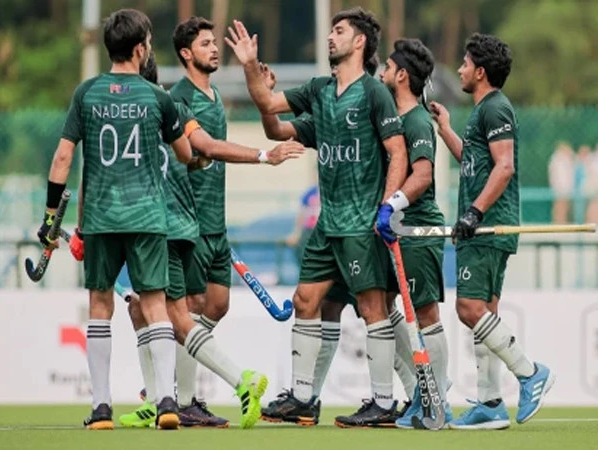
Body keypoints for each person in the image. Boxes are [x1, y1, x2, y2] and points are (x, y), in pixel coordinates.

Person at [227, 7, 410, 427]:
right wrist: (251, 66)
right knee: (305, 301)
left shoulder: (374, 93)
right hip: (327, 225)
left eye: (339, 31)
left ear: (359, 42)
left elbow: (398, 152)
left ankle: (384, 402)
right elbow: (269, 110)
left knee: (372, 308)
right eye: (331, 30)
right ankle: (303, 400)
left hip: (362, 223)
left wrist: (387, 206)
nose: (330, 36)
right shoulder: (319, 90)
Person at [36, 9, 193, 430]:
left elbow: (63, 158)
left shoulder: (86, 93)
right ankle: (166, 402)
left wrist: (50, 217)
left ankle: (101, 407)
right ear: (140, 48)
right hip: (147, 217)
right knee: (155, 304)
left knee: (100, 305)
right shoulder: (157, 97)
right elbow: (184, 154)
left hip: (101, 219)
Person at [163, 16, 302, 427]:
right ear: (186, 53)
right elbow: (207, 147)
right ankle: (183, 399)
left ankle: (176, 379)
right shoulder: (179, 97)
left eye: (214, 42)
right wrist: (263, 156)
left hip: (216, 223)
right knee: (190, 308)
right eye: (205, 43)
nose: (213, 48)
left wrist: (261, 83)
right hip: (188, 223)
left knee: (217, 305)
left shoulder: (215, 95)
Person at [430, 33, 555, 429]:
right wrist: (445, 128)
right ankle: (490, 403)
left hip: (486, 226)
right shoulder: (483, 111)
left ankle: (530, 373)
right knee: (485, 311)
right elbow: (474, 161)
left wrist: (473, 213)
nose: (460, 70)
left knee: (469, 309)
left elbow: (504, 166)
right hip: (483, 225)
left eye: (465, 64)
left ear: (480, 72)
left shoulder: (496, 107)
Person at [376, 38, 451, 428]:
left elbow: (422, 176)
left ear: (402, 76)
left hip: (417, 228)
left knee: (425, 314)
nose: (382, 72)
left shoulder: (418, 120)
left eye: (388, 67)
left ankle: (438, 399)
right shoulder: (393, 118)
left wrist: (391, 206)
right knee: (383, 306)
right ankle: (423, 389)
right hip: (394, 231)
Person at [548, 142, 574, 223]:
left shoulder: (562, 160)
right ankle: (559, 223)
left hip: (563, 189)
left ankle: (561, 222)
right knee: (560, 208)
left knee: (563, 208)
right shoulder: (559, 160)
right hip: (561, 189)